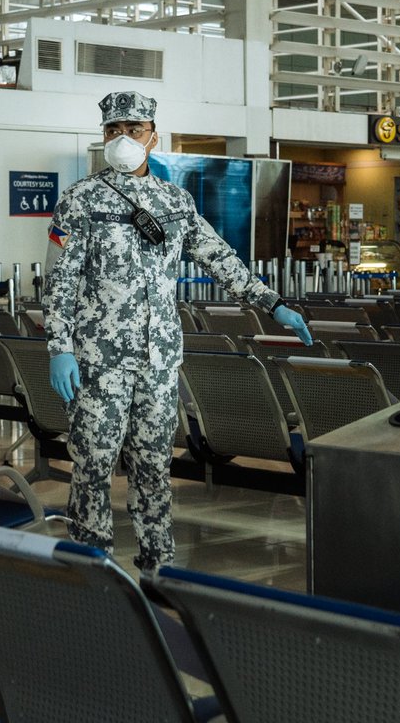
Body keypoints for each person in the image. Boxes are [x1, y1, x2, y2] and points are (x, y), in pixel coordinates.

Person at [44, 90, 312, 572]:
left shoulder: (175, 202)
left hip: (159, 360)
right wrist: (59, 346)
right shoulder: (80, 201)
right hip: (97, 361)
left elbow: (220, 259)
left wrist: (274, 304)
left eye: (133, 129)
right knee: (93, 462)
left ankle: (157, 565)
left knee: (153, 465)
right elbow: (60, 281)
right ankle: (89, 566)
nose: (122, 139)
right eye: (112, 130)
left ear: (153, 136)